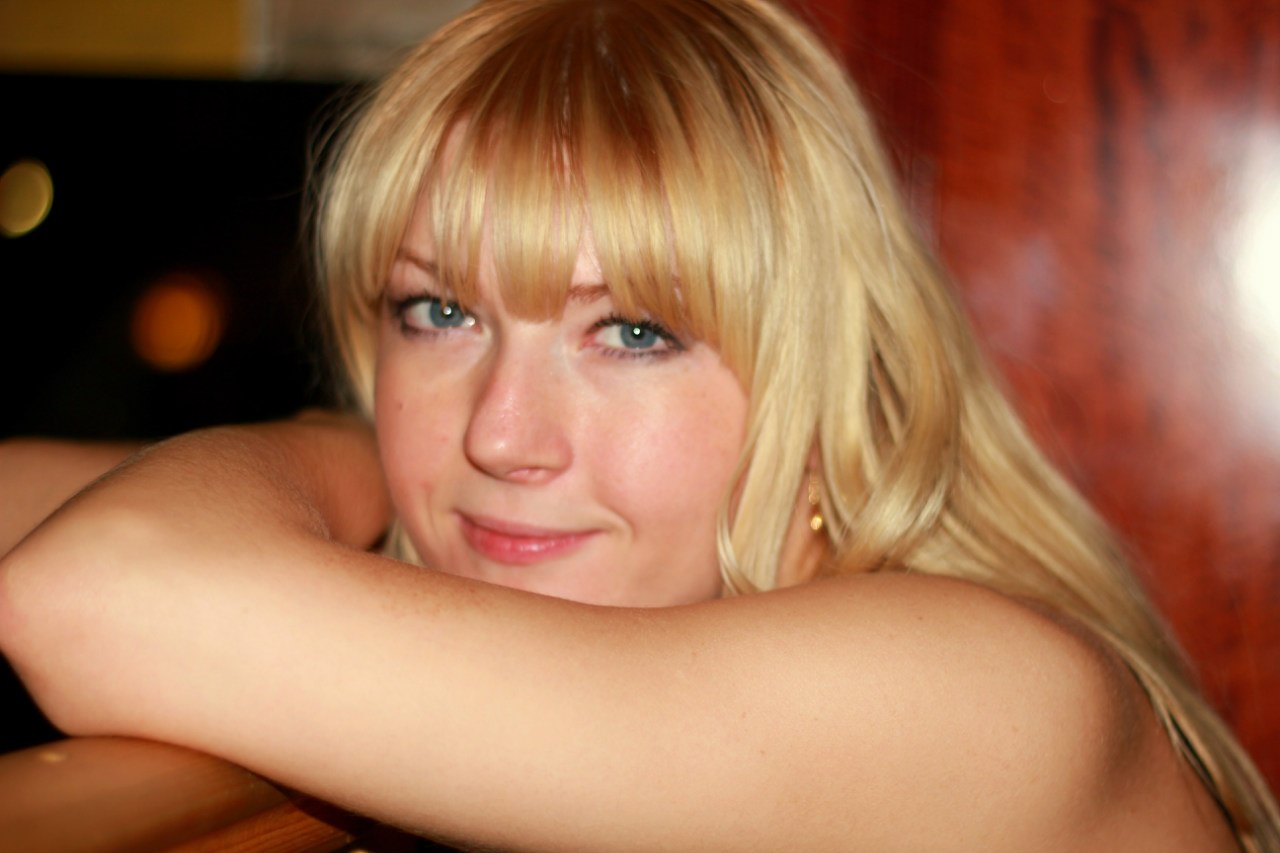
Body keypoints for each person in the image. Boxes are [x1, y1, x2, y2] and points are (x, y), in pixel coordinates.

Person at [1, 0, 1277, 850]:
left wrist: (346, 459)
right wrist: (367, 452)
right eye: (437, 312)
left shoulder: (978, 694)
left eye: (632, 332)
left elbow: (100, 594)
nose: (500, 435)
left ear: (825, 385)